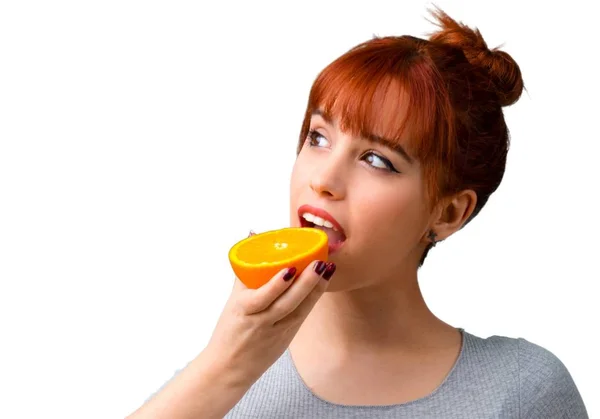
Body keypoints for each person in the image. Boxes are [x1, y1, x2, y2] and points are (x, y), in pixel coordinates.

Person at [128, 8, 588, 419]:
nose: (323, 179)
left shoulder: (522, 392)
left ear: (449, 213)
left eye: (376, 160)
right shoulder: (219, 385)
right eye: (318, 137)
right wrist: (227, 367)